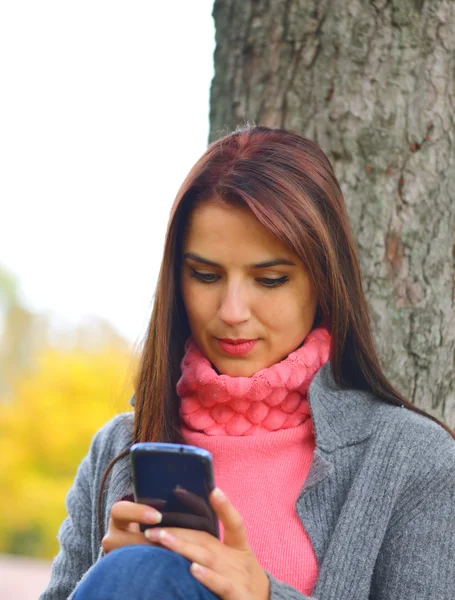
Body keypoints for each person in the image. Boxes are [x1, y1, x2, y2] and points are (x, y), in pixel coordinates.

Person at [40, 126, 455, 600]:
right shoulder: (116, 449)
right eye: (206, 275)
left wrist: (262, 595)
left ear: (322, 281)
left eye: (270, 279)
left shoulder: (412, 460)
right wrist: (114, 575)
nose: (232, 311)